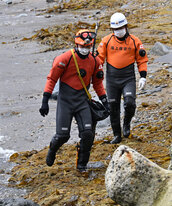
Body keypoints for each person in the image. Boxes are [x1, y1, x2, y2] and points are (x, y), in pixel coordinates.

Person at [39, 29, 109, 172]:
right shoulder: (64, 59)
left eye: (87, 47)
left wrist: (105, 101)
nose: (85, 49)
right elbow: (51, 79)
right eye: (82, 47)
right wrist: (45, 100)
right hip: (65, 102)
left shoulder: (95, 61)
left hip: (82, 101)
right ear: (76, 45)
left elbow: (98, 83)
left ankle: (82, 164)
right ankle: (53, 148)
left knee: (88, 134)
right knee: (63, 135)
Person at [97, 12, 148, 144]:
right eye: (115, 29)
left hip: (128, 78)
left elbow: (141, 59)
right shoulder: (106, 41)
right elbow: (99, 59)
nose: (118, 31)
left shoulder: (134, 41)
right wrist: (97, 71)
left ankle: (126, 123)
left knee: (130, 102)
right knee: (113, 106)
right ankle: (116, 135)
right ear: (112, 30)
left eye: (120, 28)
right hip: (112, 79)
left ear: (125, 26)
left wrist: (143, 77)